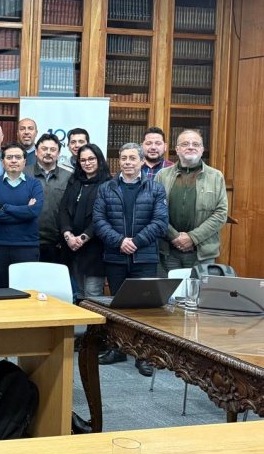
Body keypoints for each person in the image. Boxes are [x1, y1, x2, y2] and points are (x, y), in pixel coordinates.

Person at [93, 142, 167, 374]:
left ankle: (142, 355)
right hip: (115, 257)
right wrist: (119, 241)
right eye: (123, 158)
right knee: (118, 305)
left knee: (143, 309)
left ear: (141, 161)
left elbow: (160, 222)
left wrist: (136, 241)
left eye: (132, 158)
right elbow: (99, 221)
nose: (127, 162)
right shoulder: (106, 188)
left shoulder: (156, 189)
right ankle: (117, 348)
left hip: (144, 257)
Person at [155, 129, 227, 270]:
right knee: (170, 285)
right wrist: (174, 237)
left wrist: (192, 238)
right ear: (177, 149)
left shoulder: (216, 176)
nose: (191, 147)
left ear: (202, 149)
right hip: (168, 251)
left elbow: (221, 214)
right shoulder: (162, 175)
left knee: (201, 285)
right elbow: (155, 210)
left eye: (196, 144)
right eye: (185, 144)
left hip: (202, 253)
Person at [0, 143, 44, 288]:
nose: (13, 161)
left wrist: (6, 208)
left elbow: (34, 212)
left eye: (18, 157)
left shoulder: (35, 184)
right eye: (9, 157)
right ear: (2, 162)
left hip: (27, 246)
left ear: (24, 161)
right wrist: (24, 211)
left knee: (26, 292)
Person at [58, 143, 111, 301]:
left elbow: (104, 215)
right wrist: (68, 235)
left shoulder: (108, 184)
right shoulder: (75, 181)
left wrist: (82, 238)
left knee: (93, 295)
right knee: (78, 295)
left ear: (99, 160)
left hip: (94, 249)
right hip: (72, 248)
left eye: (91, 159)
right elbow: (63, 210)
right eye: (83, 160)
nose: (87, 163)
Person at [26, 133, 70, 264]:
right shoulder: (23, 174)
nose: (48, 152)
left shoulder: (69, 177)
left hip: (57, 243)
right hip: (27, 240)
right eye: (44, 149)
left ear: (59, 153)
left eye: (53, 149)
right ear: (36, 151)